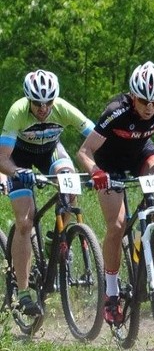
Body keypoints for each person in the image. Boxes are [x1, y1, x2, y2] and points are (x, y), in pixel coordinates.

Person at [78, 62, 154, 325]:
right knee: (117, 225)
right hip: (110, 165)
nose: (150, 108)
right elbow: (84, 152)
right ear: (133, 96)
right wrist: (95, 171)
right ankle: (111, 293)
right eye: (144, 101)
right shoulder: (115, 112)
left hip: (141, 153)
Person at [0, 70, 95, 317]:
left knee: (70, 183)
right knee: (25, 222)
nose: (43, 109)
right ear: (28, 100)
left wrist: (101, 167)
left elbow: (96, 137)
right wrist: (16, 172)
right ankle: (23, 293)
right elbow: (2, 158)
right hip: (18, 158)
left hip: (51, 152)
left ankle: (57, 240)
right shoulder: (17, 112)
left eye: (48, 103)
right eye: (37, 103)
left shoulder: (63, 108)